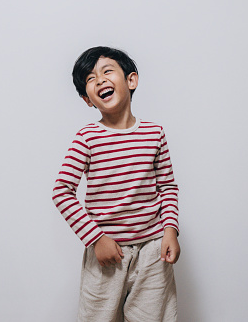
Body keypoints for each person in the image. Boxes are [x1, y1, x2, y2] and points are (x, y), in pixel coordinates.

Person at [52, 46, 180, 322]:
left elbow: (167, 187)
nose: (99, 80)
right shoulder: (87, 138)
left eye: (107, 71)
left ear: (131, 80)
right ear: (88, 99)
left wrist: (170, 230)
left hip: (153, 252)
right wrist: (96, 239)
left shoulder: (154, 133)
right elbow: (62, 192)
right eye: (90, 79)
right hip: (106, 254)